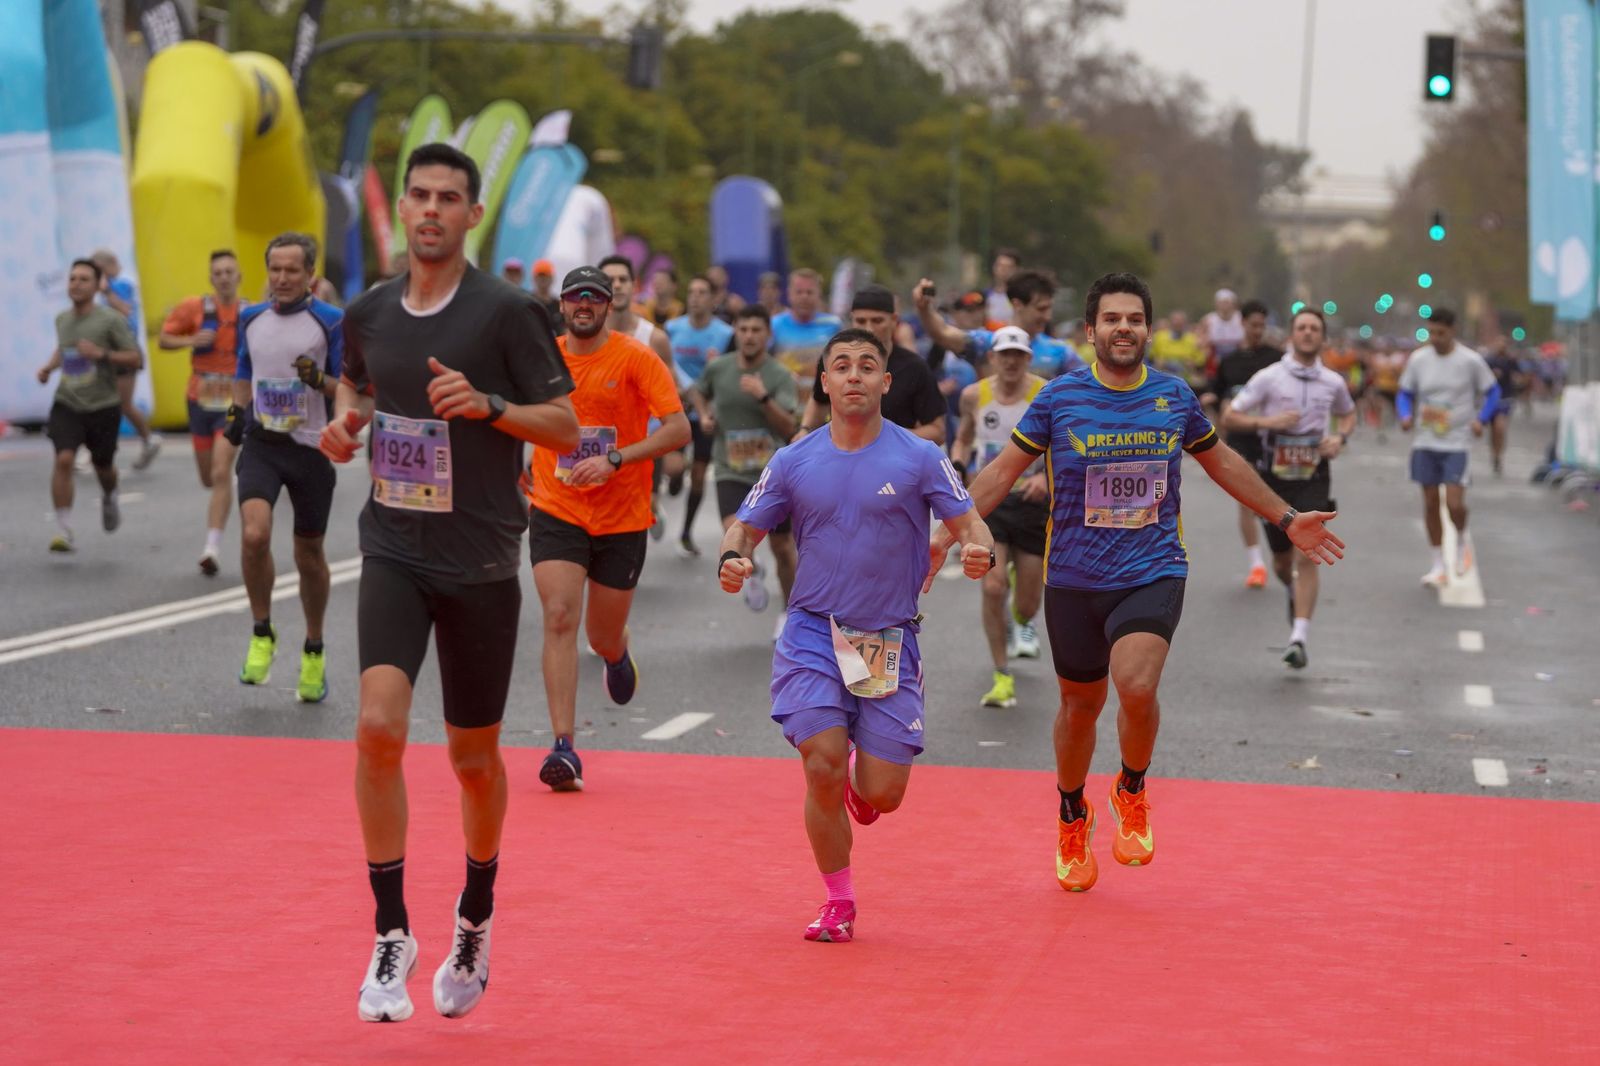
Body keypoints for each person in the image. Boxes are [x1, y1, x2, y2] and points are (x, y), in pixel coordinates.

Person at [939, 272, 1344, 893]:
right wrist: (942, 537)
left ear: (1147, 330)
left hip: (1152, 568)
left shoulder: (1173, 397)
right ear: (1092, 330)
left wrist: (1285, 518)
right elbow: (1000, 471)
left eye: (1134, 319)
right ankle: (1073, 812)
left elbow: (1224, 462)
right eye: (1112, 319)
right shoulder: (1058, 400)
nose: (1123, 328)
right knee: (1079, 706)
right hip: (1073, 575)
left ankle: (1131, 787)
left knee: (1135, 683)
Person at [322, 142, 579, 1023]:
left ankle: (476, 911)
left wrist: (491, 406)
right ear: (403, 208)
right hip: (394, 547)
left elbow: (564, 424)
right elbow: (355, 389)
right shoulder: (367, 310)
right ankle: (391, 931)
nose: (431, 209)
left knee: (473, 761)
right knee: (377, 730)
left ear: (473, 215)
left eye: (449, 198)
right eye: (419, 195)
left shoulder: (507, 313)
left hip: (478, 563)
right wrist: (345, 427)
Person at [718, 327, 994, 942]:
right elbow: (743, 525)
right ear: (823, 381)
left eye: (866, 366)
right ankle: (838, 900)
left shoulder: (919, 456)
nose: (853, 376)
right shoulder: (795, 459)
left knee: (884, 794)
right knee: (821, 763)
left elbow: (971, 523)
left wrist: (978, 551)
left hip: (883, 640)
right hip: (814, 631)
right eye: (840, 366)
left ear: (885, 383)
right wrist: (733, 558)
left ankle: (861, 786)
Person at [528, 266, 690, 793]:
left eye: (594, 298)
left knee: (599, 635)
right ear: (563, 303)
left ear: (608, 304)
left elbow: (678, 428)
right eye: (575, 297)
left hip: (621, 516)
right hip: (557, 506)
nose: (583, 305)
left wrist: (617, 458)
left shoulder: (635, 356)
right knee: (558, 617)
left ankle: (617, 652)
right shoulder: (543, 357)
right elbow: (516, 416)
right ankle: (563, 746)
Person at [227, 232, 343, 702]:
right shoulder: (251, 317)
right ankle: (261, 631)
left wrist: (319, 380)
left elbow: (350, 386)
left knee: (308, 555)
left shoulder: (331, 321)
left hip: (311, 449)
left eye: (291, 270)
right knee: (254, 535)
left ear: (310, 274)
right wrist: (237, 412)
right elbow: (242, 369)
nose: (281, 278)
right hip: (263, 443)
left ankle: (313, 647)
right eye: (275, 269)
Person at [1222, 308, 1356, 669]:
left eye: (1315, 328)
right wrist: (1268, 421)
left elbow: (1349, 412)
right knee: (1282, 562)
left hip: (1314, 475)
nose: (1309, 333)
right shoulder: (1269, 378)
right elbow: (1230, 416)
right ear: (1291, 336)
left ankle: (1299, 637)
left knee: (1305, 555)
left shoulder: (1333, 382)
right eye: (1302, 328)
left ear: (1323, 338)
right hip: (1275, 478)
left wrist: (1338, 438)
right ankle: (1293, 595)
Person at [951, 326, 1049, 708]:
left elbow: (1062, 448)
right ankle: (1001, 674)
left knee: (1026, 606)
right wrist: (958, 459)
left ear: (1028, 358)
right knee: (992, 587)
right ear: (992, 357)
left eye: (1018, 355)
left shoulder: (1045, 394)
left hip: (1033, 504)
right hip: (989, 503)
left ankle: (1018, 616)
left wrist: (1043, 476)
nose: (1010, 361)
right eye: (1003, 354)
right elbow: (963, 435)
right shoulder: (974, 395)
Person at [693, 304, 799, 627]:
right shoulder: (719, 368)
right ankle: (750, 568)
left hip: (772, 474)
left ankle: (789, 613)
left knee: (782, 547)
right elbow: (698, 391)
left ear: (767, 335)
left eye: (756, 330)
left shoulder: (779, 375)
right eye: (743, 329)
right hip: (731, 469)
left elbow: (789, 427)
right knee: (734, 531)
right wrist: (705, 414)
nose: (749, 336)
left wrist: (763, 397)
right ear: (735, 333)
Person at [36, 258, 141, 552]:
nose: (76, 284)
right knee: (64, 459)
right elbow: (64, 349)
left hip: (103, 405)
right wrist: (48, 368)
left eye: (84, 279)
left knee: (103, 467)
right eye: (72, 279)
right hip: (67, 401)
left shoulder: (110, 320)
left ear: (97, 286)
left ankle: (109, 495)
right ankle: (63, 529)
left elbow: (135, 358)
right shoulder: (62, 319)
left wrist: (101, 353)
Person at [158, 249, 247, 576]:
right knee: (208, 476)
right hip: (199, 399)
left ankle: (212, 547)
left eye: (229, 271)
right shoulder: (194, 307)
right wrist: (192, 340)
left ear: (239, 276)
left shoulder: (249, 312)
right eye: (218, 273)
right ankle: (222, 496)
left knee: (222, 472)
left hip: (232, 403)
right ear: (211, 278)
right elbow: (164, 339)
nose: (224, 277)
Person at [1397, 309, 1498, 586]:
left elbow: (1493, 392)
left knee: (1454, 503)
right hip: (1425, 440)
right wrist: (1405, 415)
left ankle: (1462, 538)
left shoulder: (1470, 361)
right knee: (1430, 502)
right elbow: (1405, 392)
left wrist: (1482, 419)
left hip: (1457, 441)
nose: (1435, 338)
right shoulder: (1419, 359)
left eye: (1440, 333)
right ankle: (1438, 564)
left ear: (1453, 330)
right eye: (1431, 332)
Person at [798, 285, 945, 445]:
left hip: (894, 462)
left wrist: (883, 437)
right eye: (861, 321)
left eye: (877, 321)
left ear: (894, 320)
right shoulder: (834, 359)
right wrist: (804, 430)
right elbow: (819, 401)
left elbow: (937, 431)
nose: (869, 328)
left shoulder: (915, 367)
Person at [1209, 299, 1283, 589]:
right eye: (1253, 325)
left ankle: (1280, 552)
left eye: (1262, 326)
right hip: (1240, 437)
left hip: (1271, 438)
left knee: (1271, 499)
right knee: (1246, 500)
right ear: (1242, 324)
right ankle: (1256, 564)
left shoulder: (1276, 358)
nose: (1258, 330)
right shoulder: (1230, 361)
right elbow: (1217, 395)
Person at [665, 275, 736, 555]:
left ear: (712, 299)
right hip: (676, 409)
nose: (695, 297)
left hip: (708, 413)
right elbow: (662, 365)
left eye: (702, 292)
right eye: (691, 292)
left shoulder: (725, 334)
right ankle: (671, 478)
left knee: (697, 477)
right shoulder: (672, 329)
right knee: (674, 468)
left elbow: (731, 370)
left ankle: (686, 531)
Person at [915, 271, 1081, 380]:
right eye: (1041, 309)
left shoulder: (1060, 351)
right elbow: (942, 333)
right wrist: (924, 308)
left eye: (1049, 308)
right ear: (1017, 305)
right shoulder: (988, 342)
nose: (1048, 316)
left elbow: (1090, 386)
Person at [90, 248, 162, 470]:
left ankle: (148, 440)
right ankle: (91, 447)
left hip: (125, 351)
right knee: (97, 400)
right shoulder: (107, 291)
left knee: (123, 404)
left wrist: (106, 290)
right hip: (107, 353)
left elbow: (125, 310)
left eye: (97, 272)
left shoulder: (121, 284)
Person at [771, 268, 842, 388]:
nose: (804, 297)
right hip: (785, 395)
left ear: (818, 295)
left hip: (822, 396)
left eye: (809, 292)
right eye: (799, 292)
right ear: (789, 294)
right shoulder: (774, 324)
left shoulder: (833, 324)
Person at [1483, 336, 1523, 476]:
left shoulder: (1510, 360)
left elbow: (1520, 375)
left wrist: (1518, 380)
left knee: (1500, 428)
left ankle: (1499, 455)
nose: (1501, 346)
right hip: (1491, 400)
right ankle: (1494, 454)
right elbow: (1481, 376)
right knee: (1493, 430)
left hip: (1506, 398)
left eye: (1504, 344)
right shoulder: (1489, 360)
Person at [1148, 309, 1207, 390]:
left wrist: (1193, 363)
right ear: (1170, 322)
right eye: (1175, 321)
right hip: (1163, 376)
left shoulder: (1193, 339)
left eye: (1180, 321)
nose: (1178, 323)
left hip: (1186, 379)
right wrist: (1157, 361)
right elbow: (1151, 358)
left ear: (1185, 323)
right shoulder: (1159, 337)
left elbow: (1200, 362)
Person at [1199, 288, 1245, 365]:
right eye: (1221, 302)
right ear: (1216, 304)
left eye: (1227, 302)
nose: (1224, 305)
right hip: (1215, 360)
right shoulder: (1208, 320)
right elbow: (1200, 341)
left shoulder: (1241, 319)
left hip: (1238, 358)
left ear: (1233, 304)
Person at [984, 248, 1020, 326]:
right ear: (994, 268)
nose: (1003, 270)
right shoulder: (985, 296)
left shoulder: (1021, 297)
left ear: (1016, 269)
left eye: (1009, 267)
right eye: (1000, 265)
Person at [530, 259, 564, 336]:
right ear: (534, 278)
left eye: (546, 276)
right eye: (540, 276)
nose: (543, 279)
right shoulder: (527, 303)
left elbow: (564, 330)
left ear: (552, 278)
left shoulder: (559, 305)